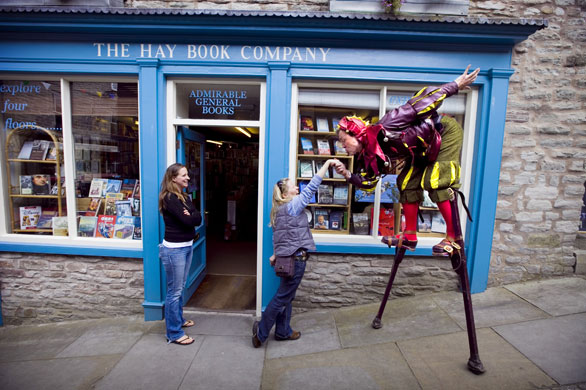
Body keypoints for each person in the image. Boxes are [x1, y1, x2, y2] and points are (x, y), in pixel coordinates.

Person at [333, 65, 480, 255]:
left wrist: (455, 85)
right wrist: (346, 173)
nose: (344, 148)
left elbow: (423, 101)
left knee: (435, 180)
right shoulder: (371, 153)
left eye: (345, 142)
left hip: (443, 133)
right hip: (421, 149)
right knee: (406, 183)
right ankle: (409, 237)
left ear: (357, 134)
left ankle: (453, 238)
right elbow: (369, 183)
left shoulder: (387, 124)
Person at [252, 158, 339, 347]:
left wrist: (275, 254)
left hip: (286, 259)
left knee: (286, 296)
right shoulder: (293, 206)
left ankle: (283, 331)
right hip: (296, 259)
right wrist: (326, 164)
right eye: (293, 187)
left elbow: (278, 235)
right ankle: (261, 332)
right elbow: (313, 186)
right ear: (285, 193)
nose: (297, 188)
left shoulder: (278, 210)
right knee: (283, 297)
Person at [158, 163, 202, 345]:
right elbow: (187, 220)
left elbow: (198, 218)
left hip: (186, 246)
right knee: (174, 292)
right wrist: (190, 215)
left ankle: (179, 320)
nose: (188, 178)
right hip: (174, 250)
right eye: (184, 175)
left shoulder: (184, 196)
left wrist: (191, 214)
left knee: (180, 287)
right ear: (173, 178)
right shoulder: (169, 198)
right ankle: (174, 333)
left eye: (187, 175)